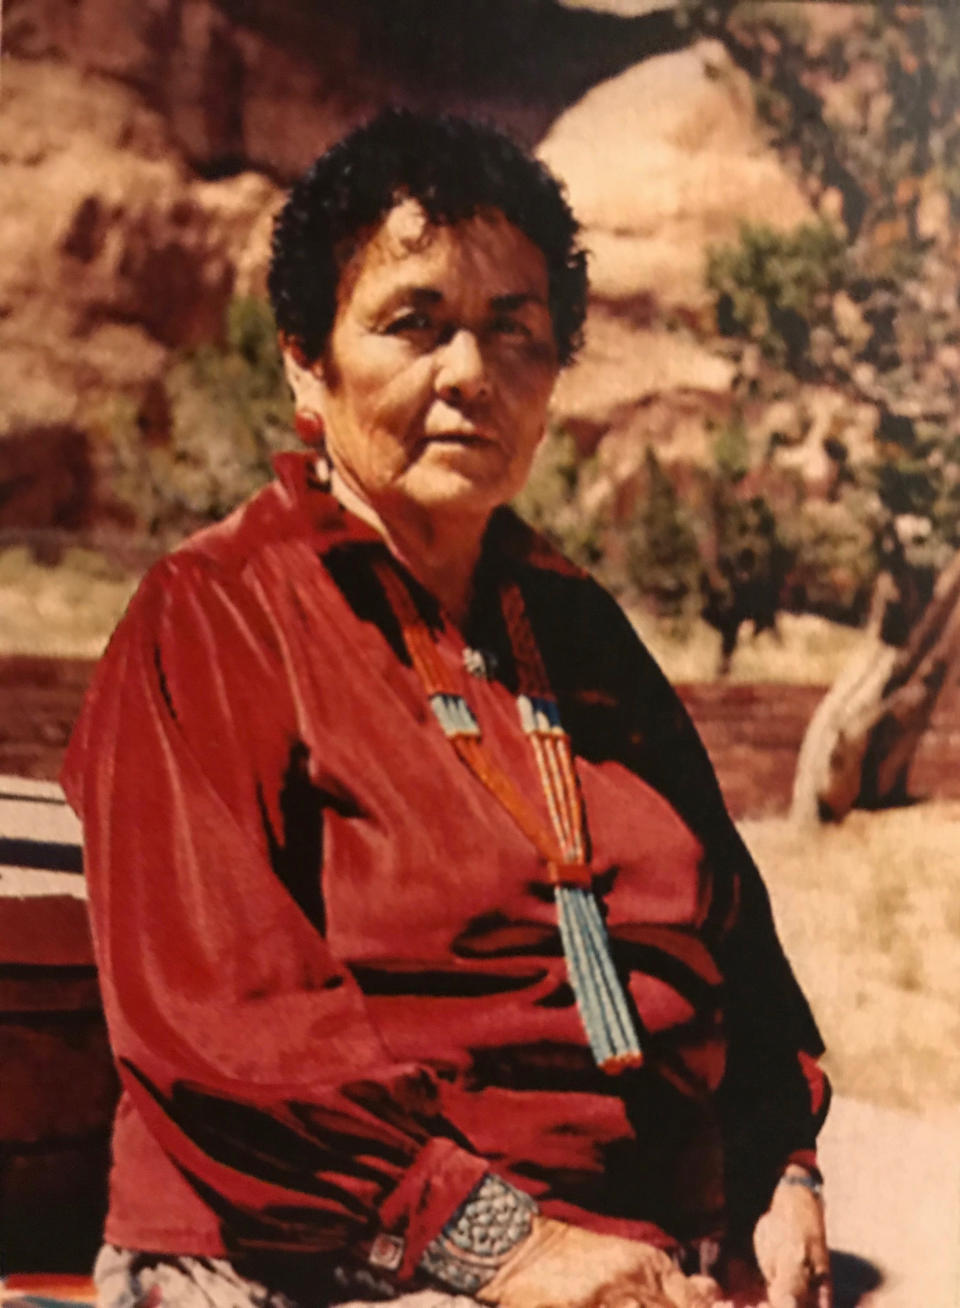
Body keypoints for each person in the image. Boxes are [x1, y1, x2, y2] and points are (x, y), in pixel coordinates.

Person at [62, 110, 832, 1308]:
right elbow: (224, 1028)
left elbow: (741, 956)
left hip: (620, 1263)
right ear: (304, 361)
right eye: (414, 323)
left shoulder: (582, 636)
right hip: (317, 1256)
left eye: (513, 329)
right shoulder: (214, 617)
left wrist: (783, 1176)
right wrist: (506, 1250)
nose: (471, 373)